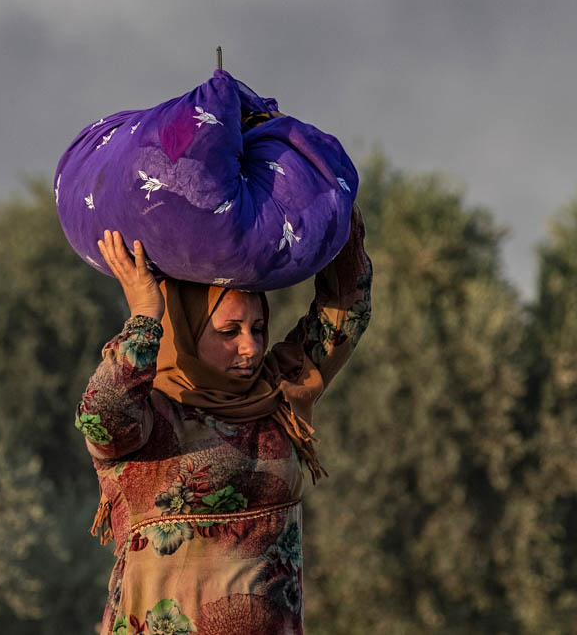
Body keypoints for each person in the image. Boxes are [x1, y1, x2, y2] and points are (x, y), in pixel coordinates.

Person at [75, 205, 371, 635]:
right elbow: (99, 417)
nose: (250, 348)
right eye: (229, 332)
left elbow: (347, 308)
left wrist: (333, 199)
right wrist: (144, 317)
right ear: (189, 331)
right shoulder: (149, 418)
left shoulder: (278, 395)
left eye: (258, 328)